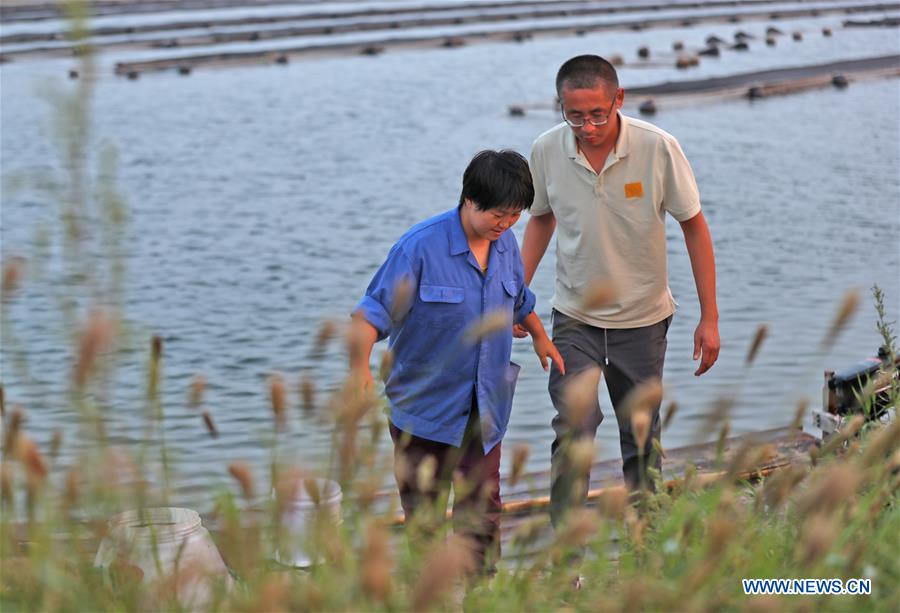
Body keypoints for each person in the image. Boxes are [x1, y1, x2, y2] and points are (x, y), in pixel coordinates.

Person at [518, 55, 720, 528]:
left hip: (643, 322)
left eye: (597, 114)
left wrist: (709, 318)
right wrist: (515, 294)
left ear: (619, 100)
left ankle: (647, 543)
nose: (586, 127)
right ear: (560, 107)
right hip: (574, 319)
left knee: (642, 437)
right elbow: (540, 218)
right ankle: (566, 558)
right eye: (574, 115)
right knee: (573, 432)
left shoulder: (657, 147)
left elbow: (694, 227)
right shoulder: (546, 150)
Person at [349, 149, 565, 573]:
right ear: (469, 199)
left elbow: (519, 298)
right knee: (424, 519)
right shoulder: (418, 249)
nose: (505, 225)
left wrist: (540, 336)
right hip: (423, 411)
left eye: (515, 215)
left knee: (482, 514)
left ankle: (482, 596)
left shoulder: (505, 247)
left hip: (484, 409)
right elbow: (368, 317)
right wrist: (359, 368)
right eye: (498, 215)